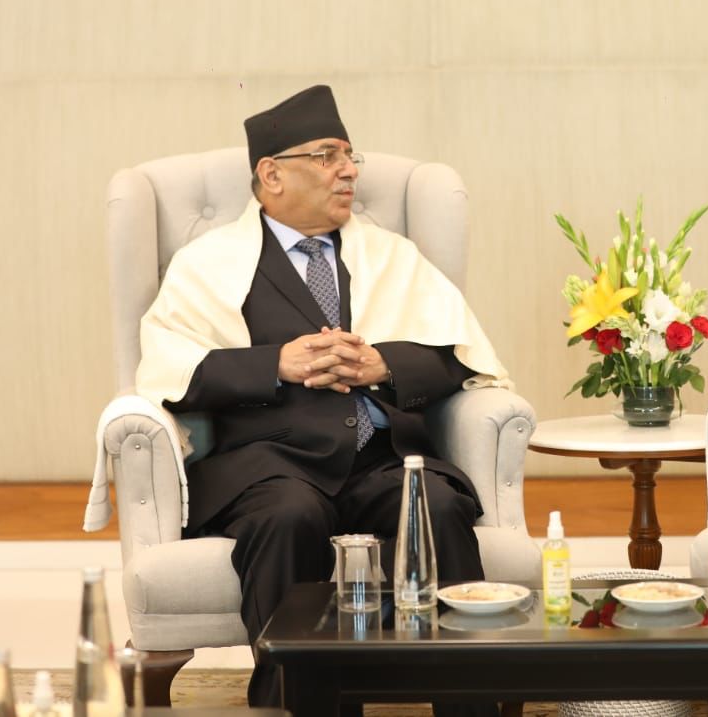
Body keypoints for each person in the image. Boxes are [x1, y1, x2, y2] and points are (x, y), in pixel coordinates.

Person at [134, 85, 509, 710]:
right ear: (271, 174)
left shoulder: (390, 257)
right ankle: (302, 698)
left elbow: (455, 357)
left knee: (435, 506)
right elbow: (172, 372)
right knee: (288, 517)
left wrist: (381, 363)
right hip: (268, 467)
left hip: (379, 459)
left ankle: (466, 697)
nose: (350, 170)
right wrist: (273, 364)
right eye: (328, 154)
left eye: (351, 155)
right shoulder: (208, 264)